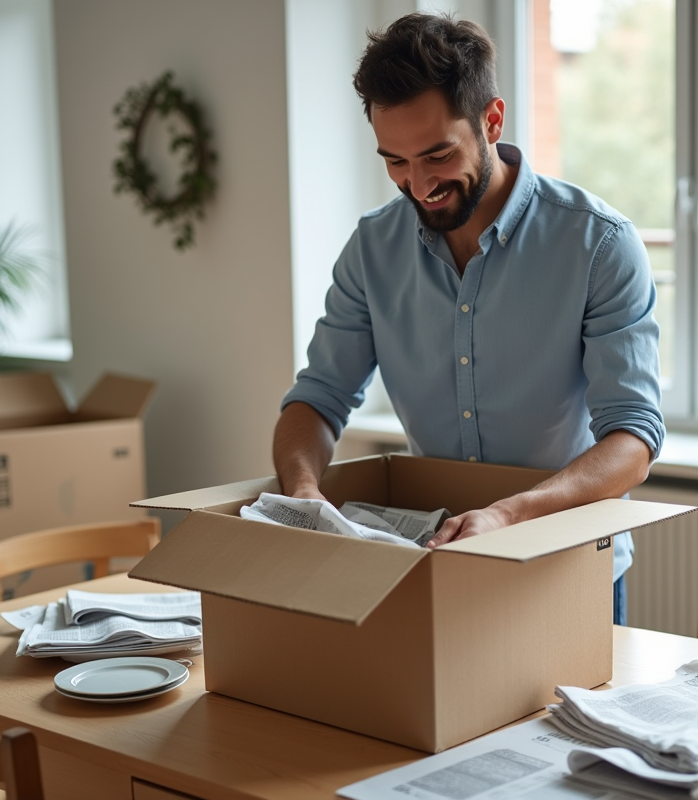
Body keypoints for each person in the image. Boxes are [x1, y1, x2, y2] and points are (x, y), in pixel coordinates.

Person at [272, 12, 663, 624]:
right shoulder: (373, 249)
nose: (418, 184)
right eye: (395, 161)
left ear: (492, 120)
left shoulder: (598, 244)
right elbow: (317, 399)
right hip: (431, 565)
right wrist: (302, 494)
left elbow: (633, 437)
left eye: (437, 154)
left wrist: (508, 514)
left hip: (566, 569)